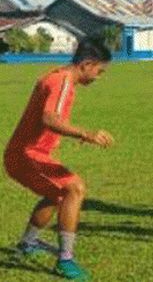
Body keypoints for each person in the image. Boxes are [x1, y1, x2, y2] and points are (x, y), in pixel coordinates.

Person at [4, 38, 114, 280]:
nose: (98, 77)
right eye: (99, 71)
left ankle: (27, 244)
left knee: (58, 194)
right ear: (86, 64)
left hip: (26, 153)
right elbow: (49, 119)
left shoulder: (57, 76)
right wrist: (86, 133)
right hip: (26, 155)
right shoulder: (63, 81)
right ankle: (65, 260)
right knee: (75, 188)